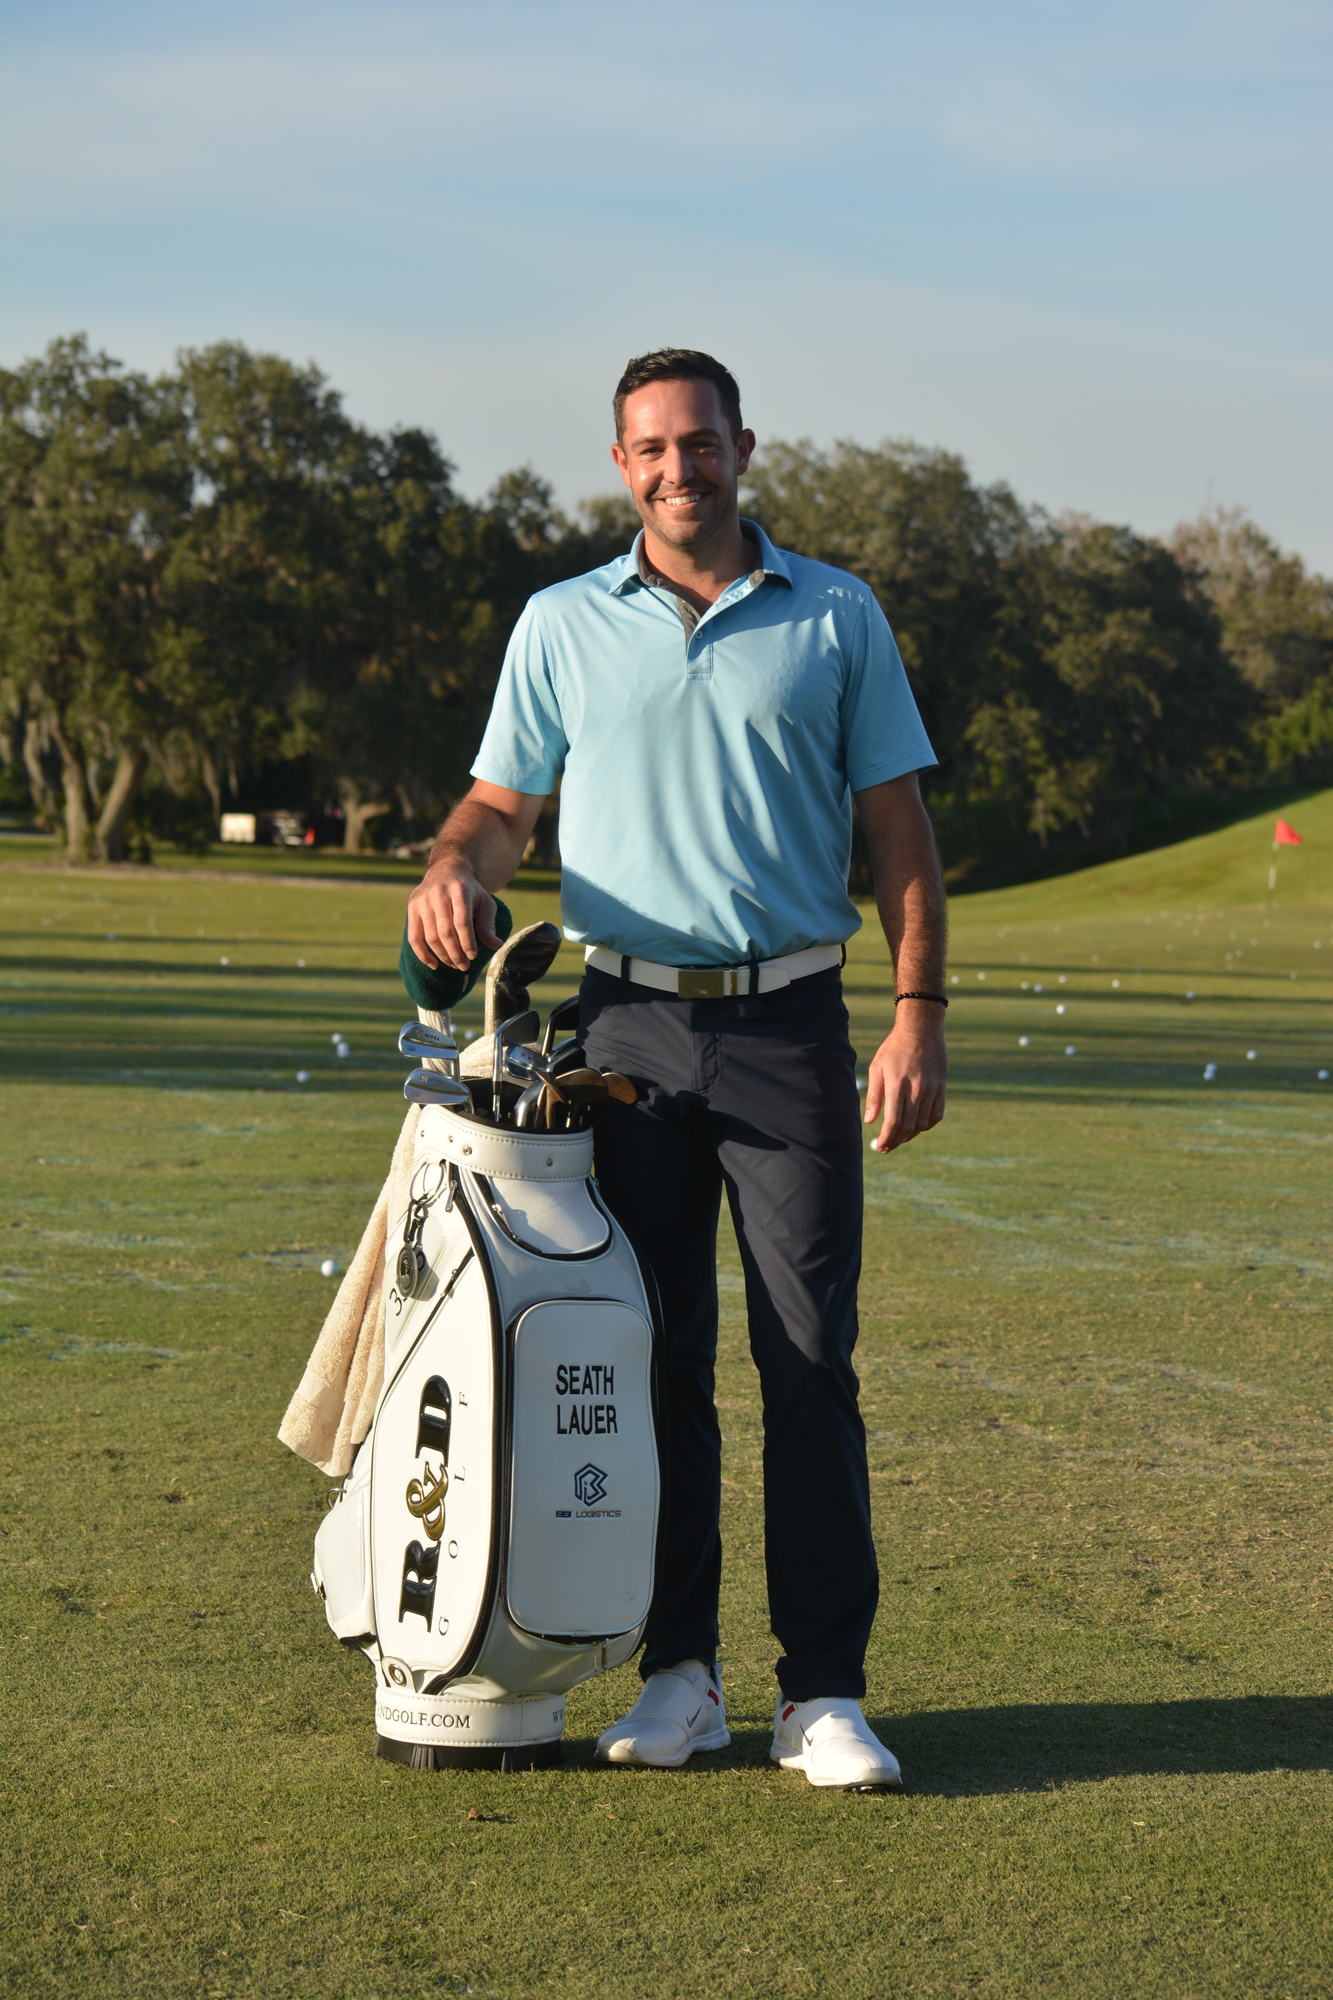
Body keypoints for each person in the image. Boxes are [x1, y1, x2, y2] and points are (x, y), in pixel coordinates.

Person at [406, 348, 948, 1791]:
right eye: (648, 448)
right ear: (621, 465)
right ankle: (678, 1675)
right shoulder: (561, 623)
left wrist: (918, 1013)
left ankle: (822, 1692)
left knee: (809, 1359)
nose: (675, 468)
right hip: (625, 1035)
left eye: (697, 443)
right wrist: (455, 867)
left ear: (742, 447)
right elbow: (498, 806)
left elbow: (896, 830)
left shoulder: (834, 614)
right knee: (650, 1366)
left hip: (790, 1029)